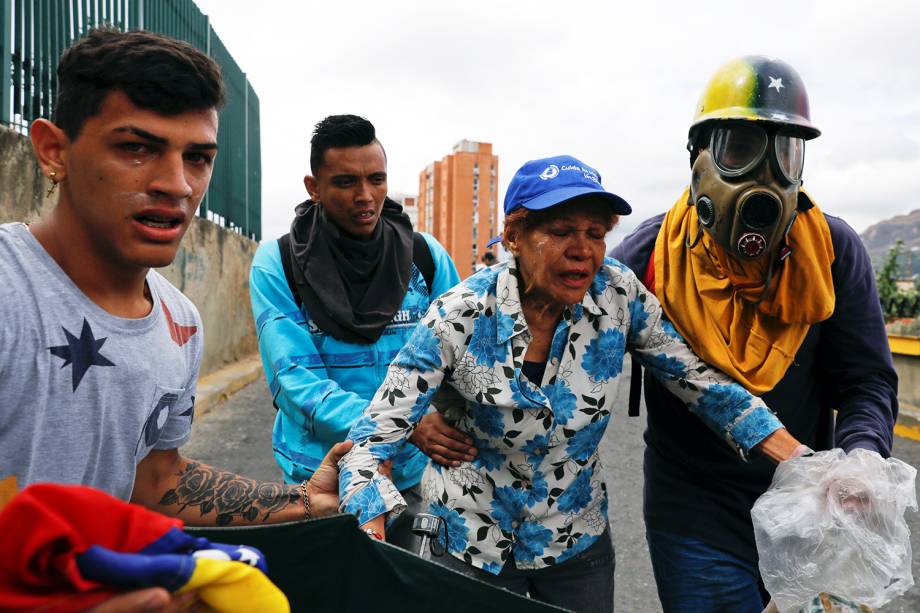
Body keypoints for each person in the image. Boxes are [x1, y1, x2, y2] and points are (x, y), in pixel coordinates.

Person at [338, 155, 805, 613]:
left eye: (595, 234)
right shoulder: (458, 314)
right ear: (514, 237)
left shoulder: (618, 295)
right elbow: (374, 435)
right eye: (561, 232)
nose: (583, 249)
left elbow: (697, 380)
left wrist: (804, 462)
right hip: (468, 537)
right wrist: (371, 531)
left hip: (574, 539)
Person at [0, 28, 348, 611]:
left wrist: (306, 502)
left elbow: (155, 481)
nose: (177, 185)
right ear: (53, 150)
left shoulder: (179, 321)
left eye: (199, 157)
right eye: (136, 148)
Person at [610, 56, 898, 613]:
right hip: (693, 507)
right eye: (739, 151)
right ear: (697, 160)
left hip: (812, 507)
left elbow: (865, 381)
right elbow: (565, 355)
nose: (764, 179)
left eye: (785, 155)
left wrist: (860, 460)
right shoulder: (647, 260)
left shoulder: (832, 254)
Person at [249, 114, 464, 547]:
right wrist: (403, 424)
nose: (365, 196)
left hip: (406, 475)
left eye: (376, 179)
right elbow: (294, 381)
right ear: (314, 187)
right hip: (318, 480)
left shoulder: (425, 256)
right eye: (346, 182)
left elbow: (458, 355)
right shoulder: (278, 264)